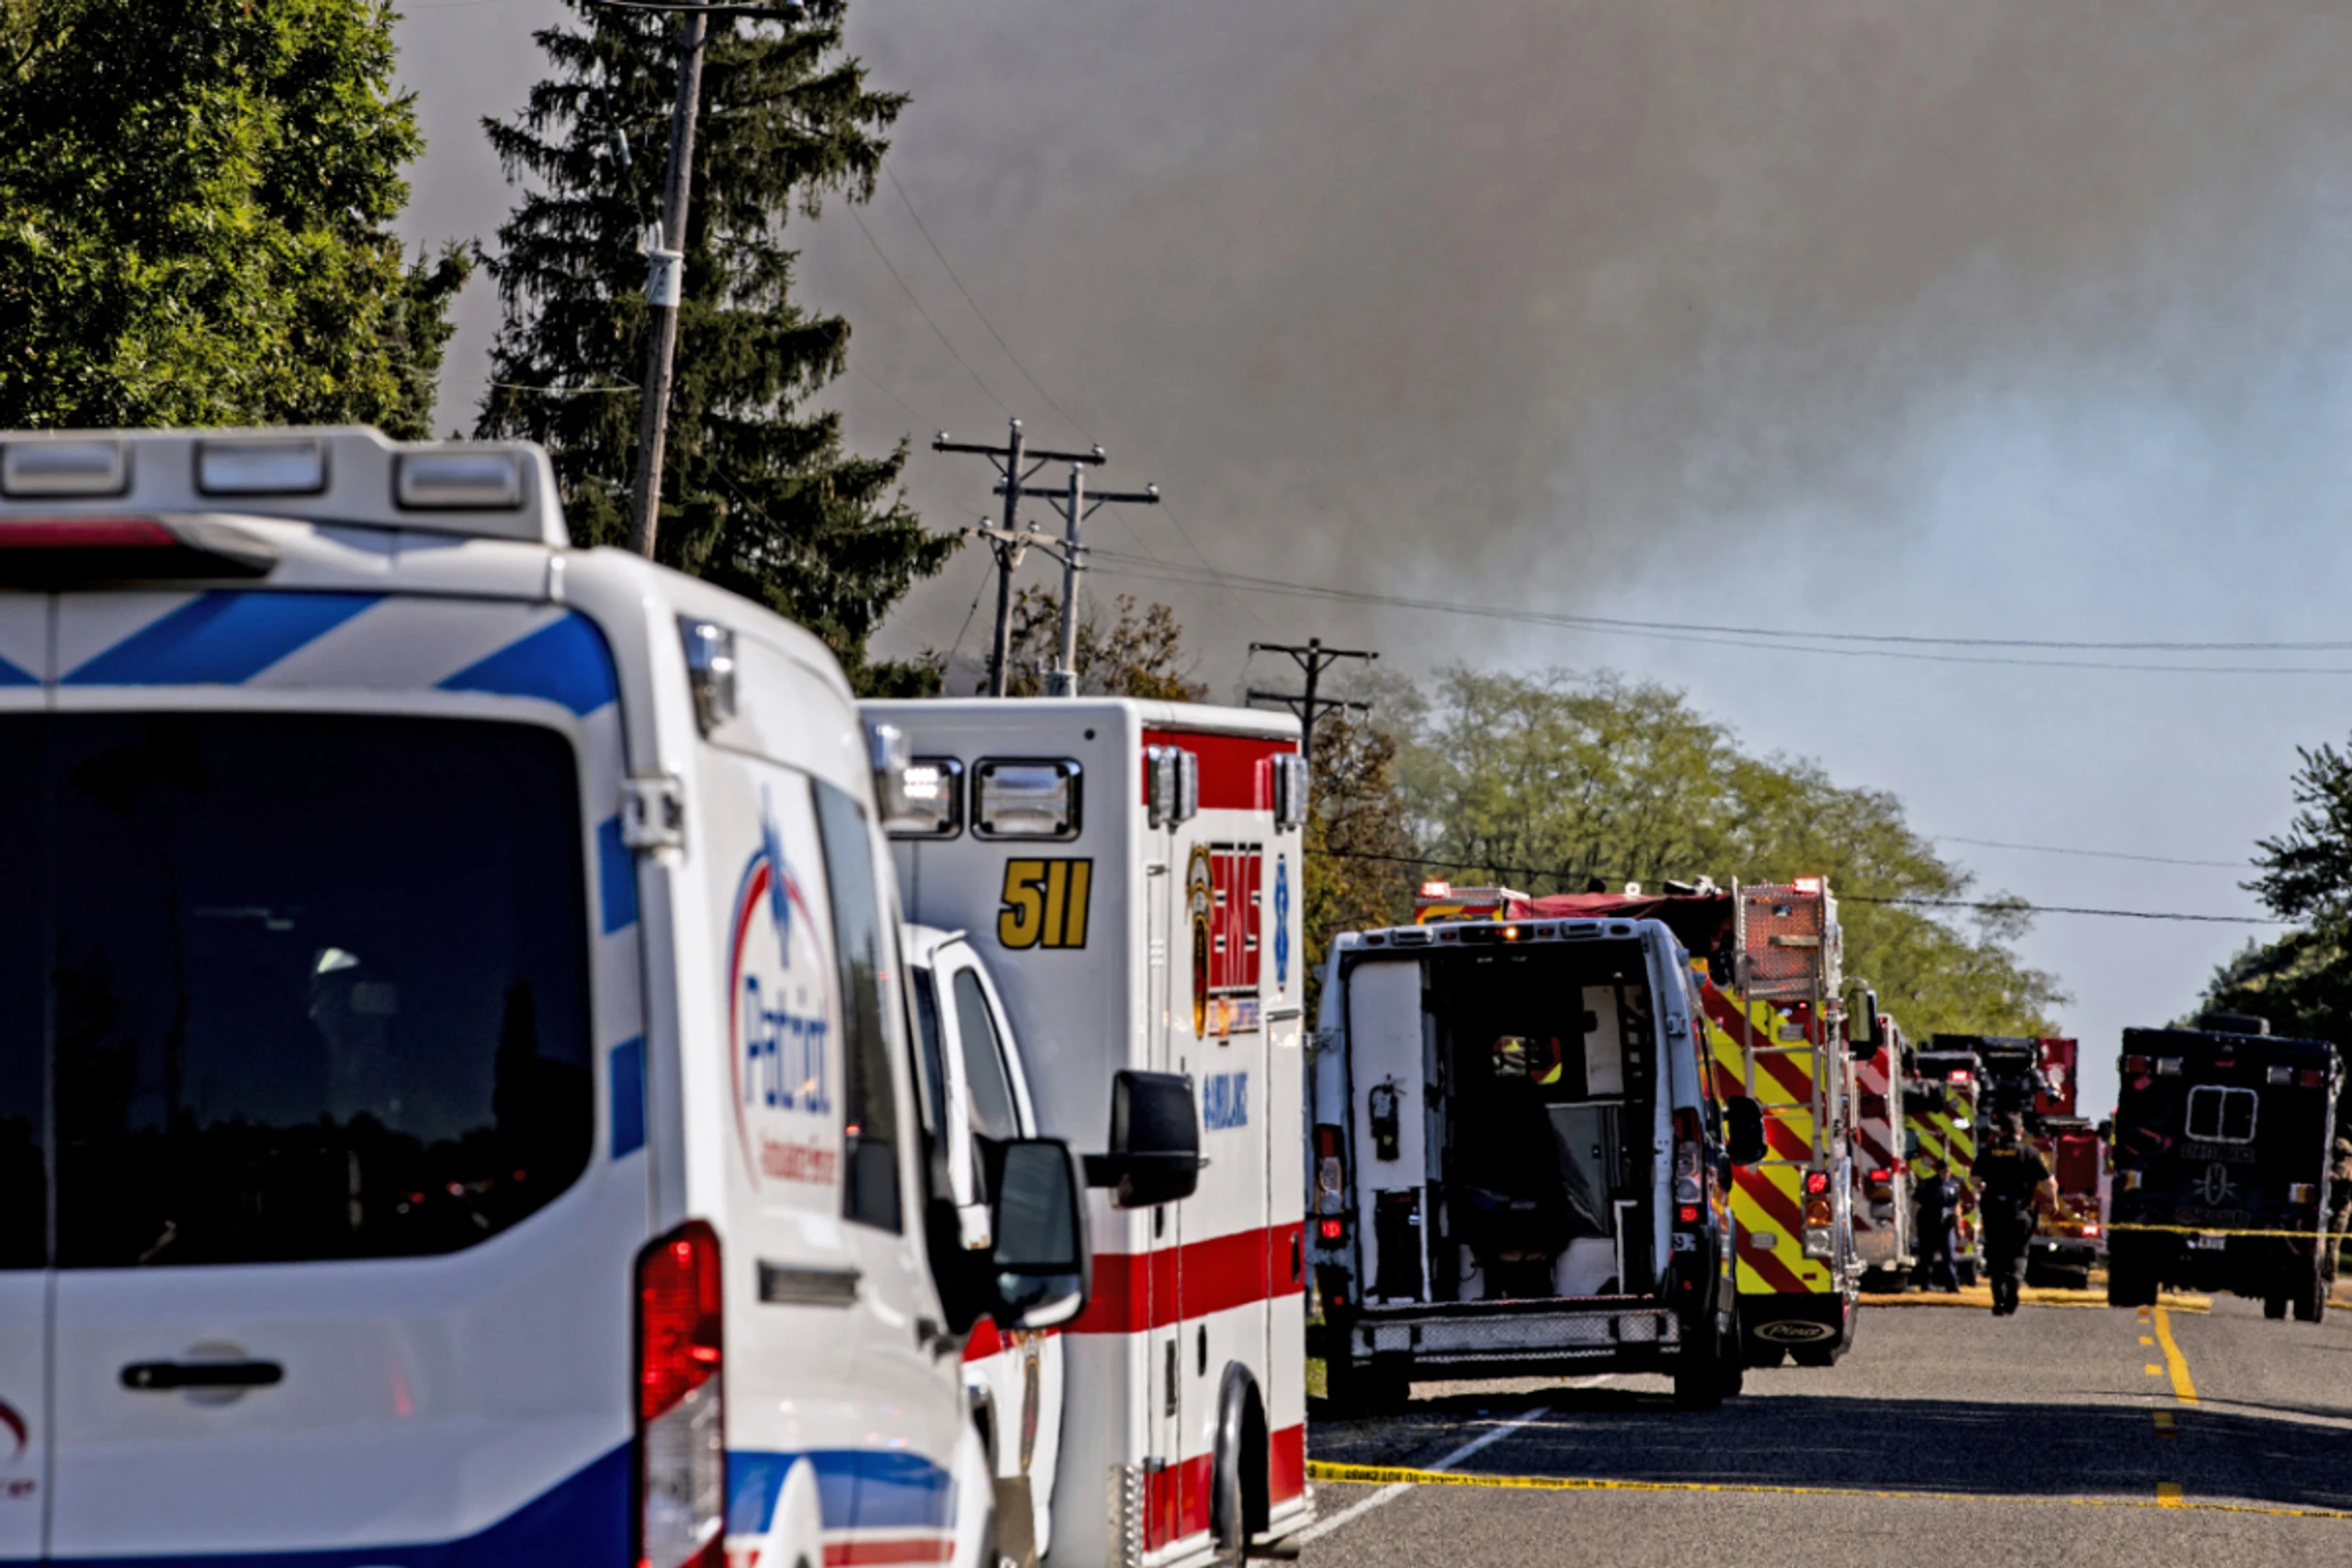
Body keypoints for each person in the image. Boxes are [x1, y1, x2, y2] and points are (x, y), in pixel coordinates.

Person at [1974, 1115, 2056, 1317]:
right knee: (2018, 1254)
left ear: (2000, 1131)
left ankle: (1998, 1301)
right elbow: (2049, 1182)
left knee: (1996, 1255)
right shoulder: (2029, 1152)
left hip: (1993, 1213)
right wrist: (2052, 1201)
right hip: (2019, 1213)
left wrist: (1983, 1187)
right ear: (2019, 1131)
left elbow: (1975, 1179)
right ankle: (2013, 1288)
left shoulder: (1988, 1150)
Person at [1912, 1157, 1963, 1292]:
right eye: (1944, 1171)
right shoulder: (1927, 1185)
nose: (1946, 1174)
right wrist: (1913, 1225)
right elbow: (1916, 1204)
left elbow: (1956, 1206)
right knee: (1927, 1257)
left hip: (1946, 1226)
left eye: (1948, 1171)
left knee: (1949, 1255)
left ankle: (1952, 1286)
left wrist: (1959, 1226)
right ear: (1938, 1171)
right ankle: (1926, 1285)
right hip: (1929, 1225)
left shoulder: (1952, 1186)